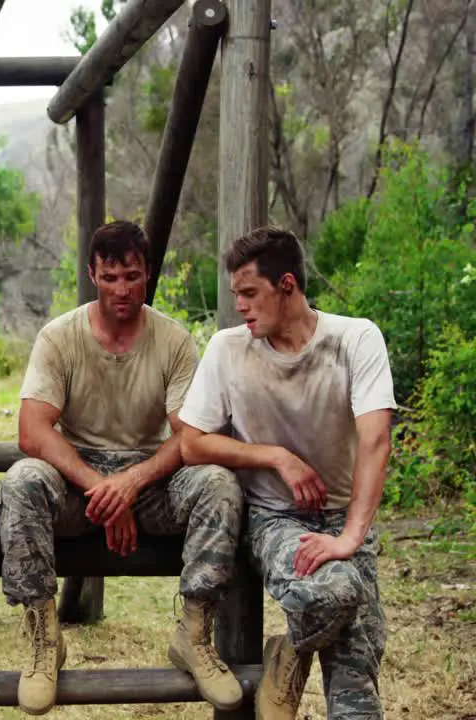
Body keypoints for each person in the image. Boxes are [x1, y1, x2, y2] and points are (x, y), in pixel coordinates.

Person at [0, 221, 244, 715]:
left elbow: (189, 435)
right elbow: (32, 431)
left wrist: (130, 483)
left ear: (148, 274)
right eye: (110, 276)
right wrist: (102, 490)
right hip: (78, 479)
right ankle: (45, 638)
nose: (122, 289)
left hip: (150, 479)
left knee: (218, 483)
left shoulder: (173, 340)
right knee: (22, 479)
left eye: (132, 275)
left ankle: (194, 633)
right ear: (92, 275)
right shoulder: (60, 337)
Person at [179, 226, 394, 720]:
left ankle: (292, 647)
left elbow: (375, 439)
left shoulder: (354, 339)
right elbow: (191, 442)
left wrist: (351, 537)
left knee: (357, 678)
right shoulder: (228, 349)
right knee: (338, 590)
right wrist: (275, 455)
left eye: (250, 293)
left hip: (343, 518)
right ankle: (294, 647)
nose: (241, 306)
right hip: (275, 518)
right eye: (236, 295)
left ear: (288, 285)